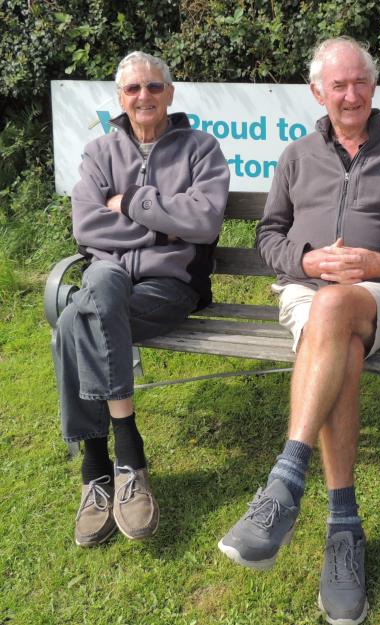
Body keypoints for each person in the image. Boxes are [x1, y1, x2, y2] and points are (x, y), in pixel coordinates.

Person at [217, 36, 380, 625]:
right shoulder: (296, 156)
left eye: (359, 83)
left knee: (339, 309)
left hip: (379, 295)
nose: (349, 94)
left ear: (374, 87)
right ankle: (344, 525)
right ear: (318, 91)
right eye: (337, 85)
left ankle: (285, 483)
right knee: (333, 327)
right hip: (305, 293)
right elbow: (269, 237)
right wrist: (308, 261)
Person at [53, 51, 229, 547]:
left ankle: (97, 468)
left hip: (169, 289)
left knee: (75, 320)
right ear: (120, 98)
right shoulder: (98, 152)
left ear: (170, 94)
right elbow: (86, 225)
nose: (144, 96)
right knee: (99, 290)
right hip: (111, 278)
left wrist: (130, 204)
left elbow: (204, 221)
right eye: (133, 89)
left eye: (154, 87)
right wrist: (162, 231)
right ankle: (125, 460)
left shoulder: (200, 148)